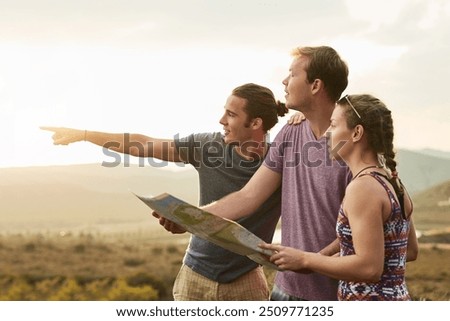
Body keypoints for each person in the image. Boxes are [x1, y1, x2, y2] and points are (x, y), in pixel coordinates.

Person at [42, 83, 303, 300]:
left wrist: (304, 117)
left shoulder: (282, 163)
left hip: (245, 284)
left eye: (231, 115)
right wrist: (84, 134)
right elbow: (144, 144)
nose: (221, 120)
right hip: (194, 278)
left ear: (256, 122)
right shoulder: (207, 146)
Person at [161, 46, 352, 301]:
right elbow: (247, 197)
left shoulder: (354, 143)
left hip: (331, 293)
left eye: (292, 74)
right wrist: (188, 218)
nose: (284, 81)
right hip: (284, 290)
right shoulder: (290, 133)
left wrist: (313, 260)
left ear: (315, 85)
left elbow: (369, 225)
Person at [261, 94, 419, 300]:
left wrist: (305, 259)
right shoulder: (392, 181)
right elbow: (409, 251)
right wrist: (331, 259)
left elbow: (370, 268)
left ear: (356, 133)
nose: (327, 133)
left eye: (334, 126)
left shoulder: (362, 188)